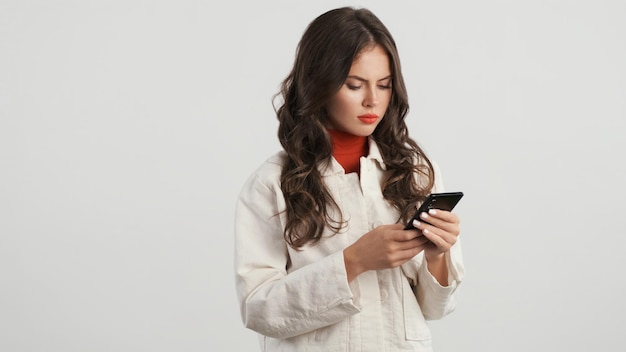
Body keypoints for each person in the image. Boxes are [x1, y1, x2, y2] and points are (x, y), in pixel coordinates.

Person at [234, 6, 464, 351]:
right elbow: (259, 310)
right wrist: (353, 261)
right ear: (319, 84)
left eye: (384, 85)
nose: (372, 100)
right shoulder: (272, 183)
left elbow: (436, 309)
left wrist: (437, 257)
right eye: (354, 85)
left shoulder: (414, 169)